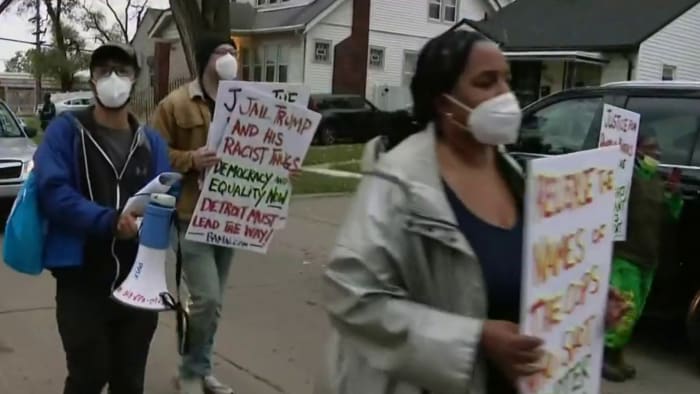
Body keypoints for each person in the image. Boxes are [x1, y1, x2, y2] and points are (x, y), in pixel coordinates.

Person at [316, 29, 626, 394]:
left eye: (506, 80)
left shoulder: (514, 176)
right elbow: (351, 296)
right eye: (486, 82)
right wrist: (475, 339)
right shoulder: (398, 183)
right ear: (443, 100)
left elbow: (538, 272)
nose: (505, 96)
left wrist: (584, 300)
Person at [34, 42, 172, 394]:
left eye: (122, 71)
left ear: (135, 80)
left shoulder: (151, 142)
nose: (113, 79)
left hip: (138, 282)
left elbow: (166, 196)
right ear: (93, 80)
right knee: (88, 376)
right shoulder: (66, 132)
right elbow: (54, 192)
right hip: (81, 281)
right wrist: (108, 221)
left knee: (129, 380)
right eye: (104, 71)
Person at [151, 31, 240, 394]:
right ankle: (189, 370)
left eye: (233, 51)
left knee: (214, 302)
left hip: (232, 217)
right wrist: (190, 159)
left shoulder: (247, 103)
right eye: (221, 50)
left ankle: (202, 369)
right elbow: (153, 155)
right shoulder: (175, 104)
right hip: (191, 214)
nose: (229, 57)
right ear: (205, 58)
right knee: (206, 298)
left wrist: (282, 167)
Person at [602, 133, 683, 382]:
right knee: (624, 308)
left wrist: (674, 194)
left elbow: (671, 216)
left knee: (635, 311)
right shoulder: (627, 179)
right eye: (650, 150)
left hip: (648, 257)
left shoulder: (655, 180)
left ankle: (618, 355)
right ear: (636, 151)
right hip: (627, 256)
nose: (655, 155)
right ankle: (607, 356)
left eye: (658, 152)